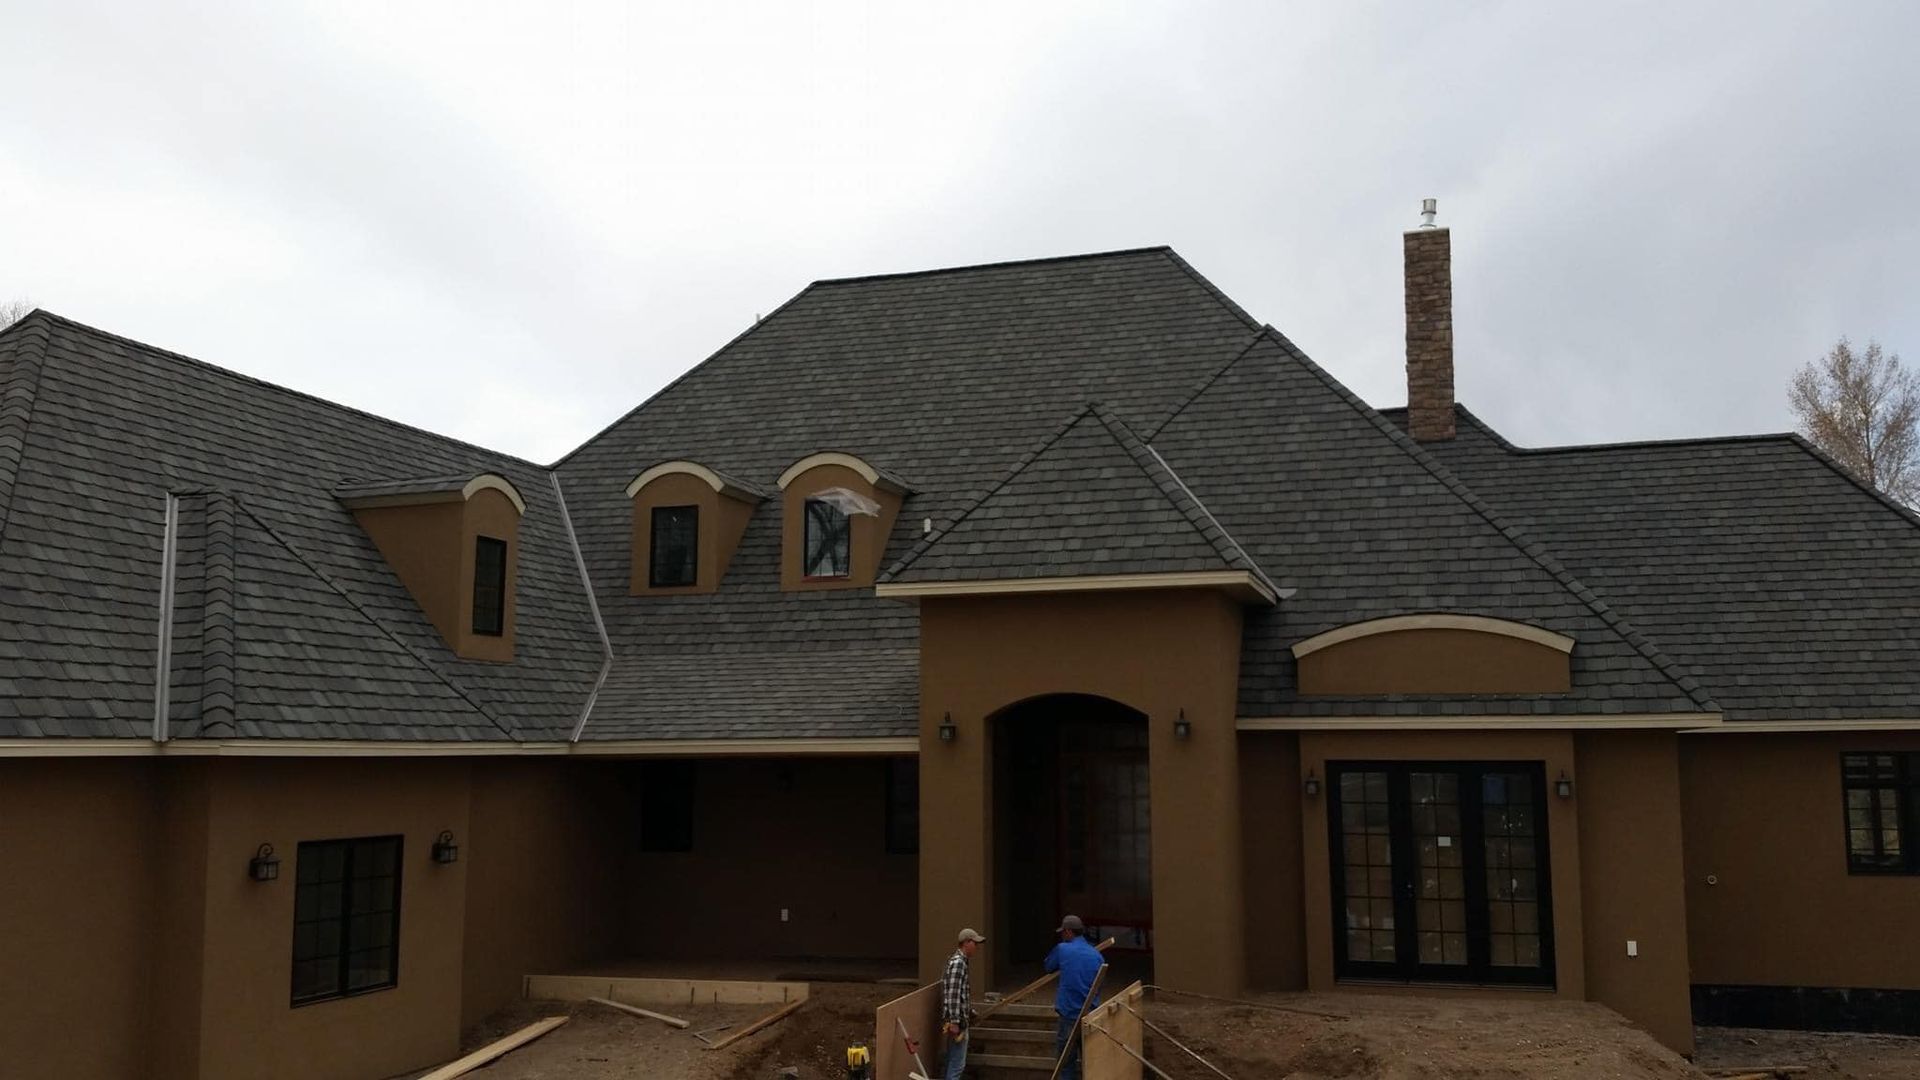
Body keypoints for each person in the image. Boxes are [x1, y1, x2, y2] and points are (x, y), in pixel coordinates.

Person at [1043, 915, 1103, 1080]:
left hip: (1069, 1014)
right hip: (1090, 1015)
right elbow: (1098, 984)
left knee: (1066, 1064)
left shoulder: (1063, 949)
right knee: (1090, 1063)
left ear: (1069, 932)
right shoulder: (1096, 955)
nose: (1062, 935)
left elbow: (1048, 966)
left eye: (1063, 932)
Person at [940, 928, 985, 1080]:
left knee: (952, 1061)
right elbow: (953, 994)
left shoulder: (958, 962)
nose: (976, 947)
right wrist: (954, 1021)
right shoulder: (959, 963)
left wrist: (969, 1011)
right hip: (957, 1023)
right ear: (966, 943)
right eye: (975, 943)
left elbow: (959, 994)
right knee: (957, 1065)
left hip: (959, 1019)